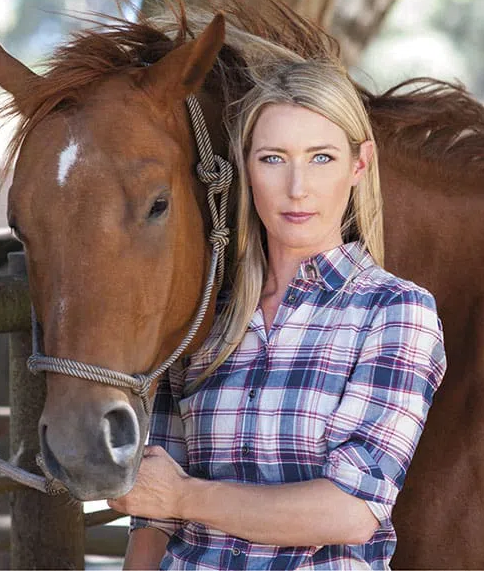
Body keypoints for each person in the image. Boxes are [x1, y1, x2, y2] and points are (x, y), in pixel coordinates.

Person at [108, 58, 447, 570]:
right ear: (246, 167)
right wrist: (165, 502)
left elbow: (349, 511)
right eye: (272, 158)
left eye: (321, 158)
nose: (297, 187)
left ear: (359, 165)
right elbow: (154, 514)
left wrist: (184, 497)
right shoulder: (204, 314)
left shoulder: (395, 311)